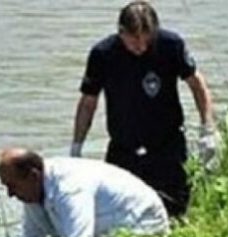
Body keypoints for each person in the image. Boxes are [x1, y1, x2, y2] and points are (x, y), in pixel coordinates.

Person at [71, 1, 217, 217]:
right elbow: (88, 102)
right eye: (135, 40)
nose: (142, 46)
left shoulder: (170, 45)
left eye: (147, 39)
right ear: (121, 33)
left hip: (167, 147)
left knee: (175, 211)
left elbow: (197, 85)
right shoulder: (103, 54)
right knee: (119, 213)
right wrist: (77, 145)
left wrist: (208, 128)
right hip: (123, 149)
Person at [0, 148, 169, 237]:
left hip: (142, 222)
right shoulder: (34, 191)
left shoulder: (69, 188)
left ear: (33, 176)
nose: (10, 194)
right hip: (105, 231)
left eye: (12, 186)